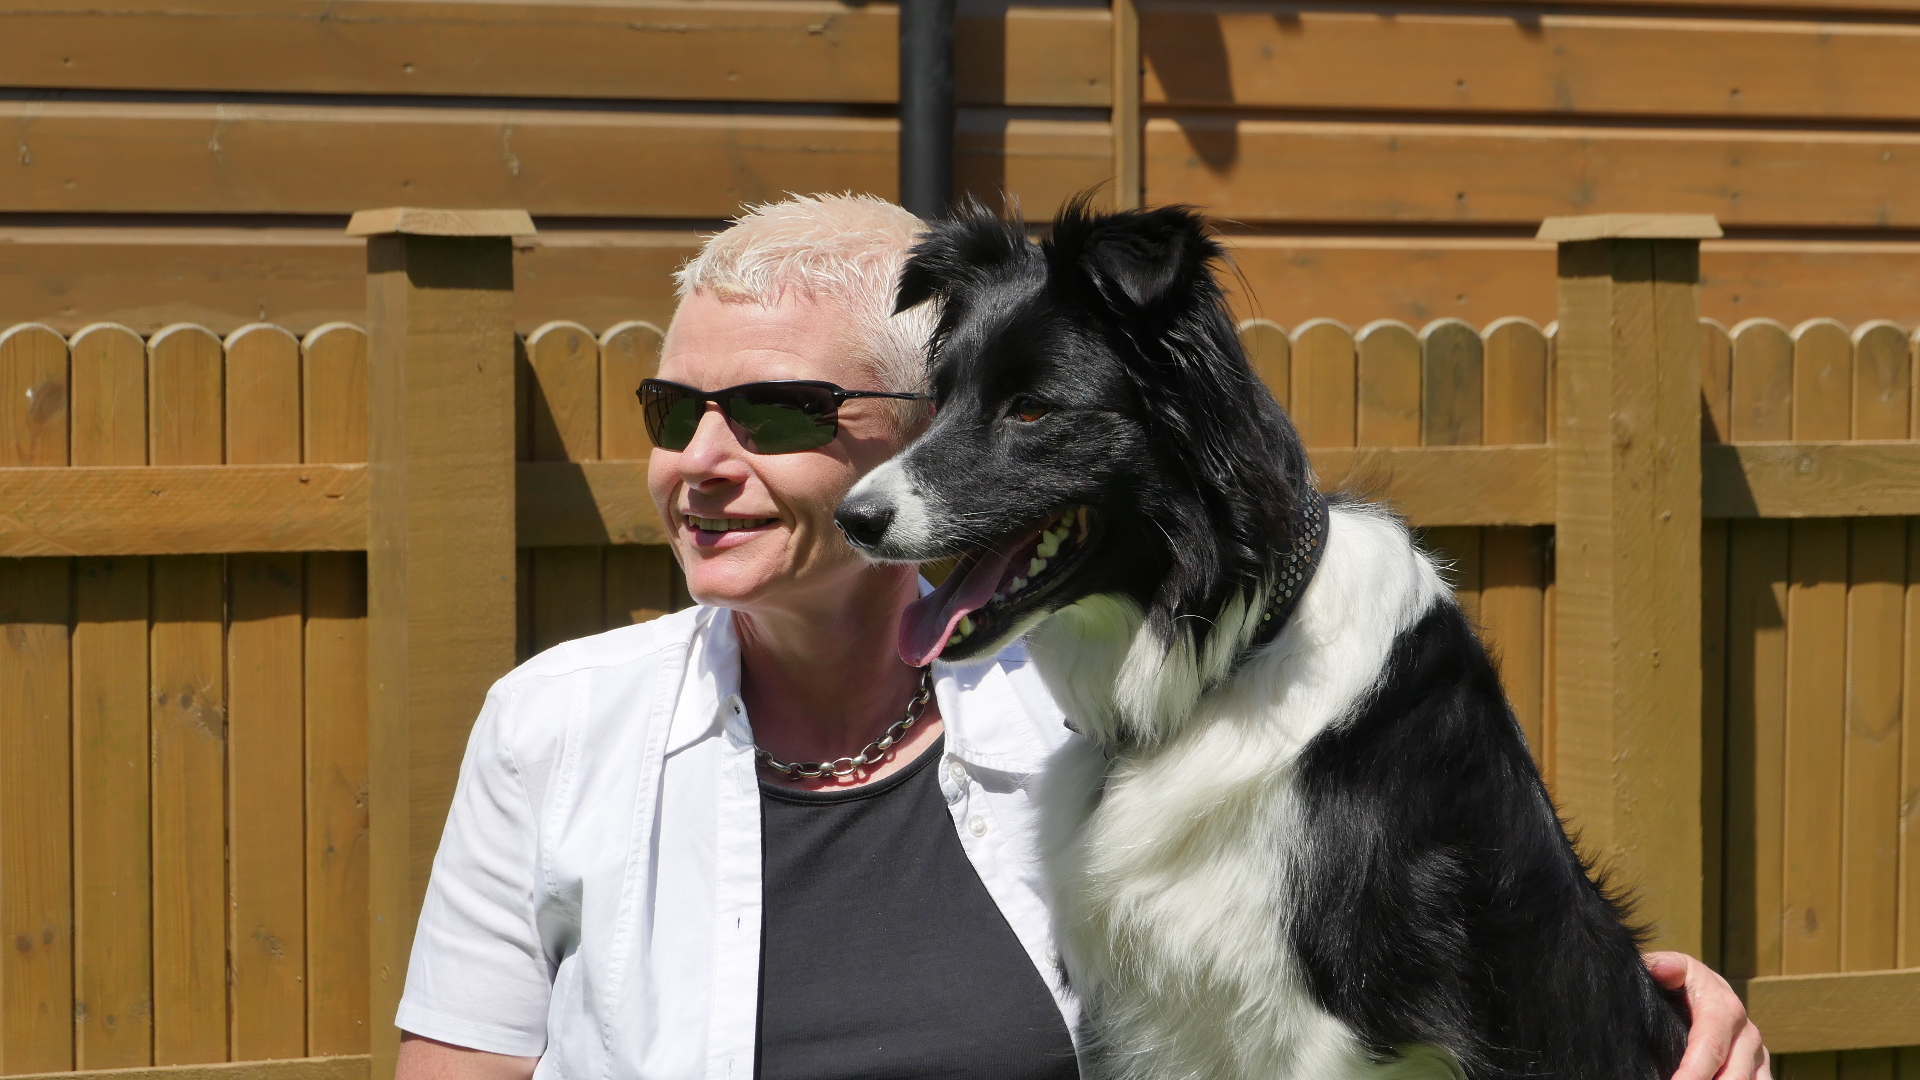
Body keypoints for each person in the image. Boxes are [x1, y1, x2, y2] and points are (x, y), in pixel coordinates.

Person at [392, 194, 1771, 1080]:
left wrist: (1684, 1015)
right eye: (667, 409)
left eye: (779, 414)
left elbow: (1452, 961)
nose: (700, 460)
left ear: (928, 427)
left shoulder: (1122, 700)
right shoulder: (553, 724)